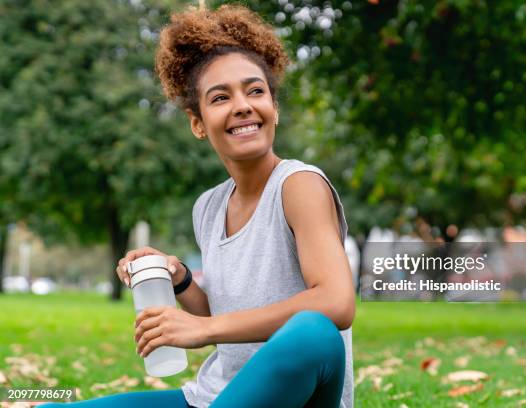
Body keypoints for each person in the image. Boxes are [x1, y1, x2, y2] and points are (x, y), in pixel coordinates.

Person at [42, 3, 355, 408]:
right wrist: (180, 279)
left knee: (313, 331)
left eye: (255, 90)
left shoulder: (299, 185)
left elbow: (335, 302)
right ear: (198, 123)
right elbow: (227, 313)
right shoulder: (208, 206)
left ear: (274, 107)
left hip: (299, 396)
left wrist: (201, 331)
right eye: (220, 97)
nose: (242, 105)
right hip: (213, 396)